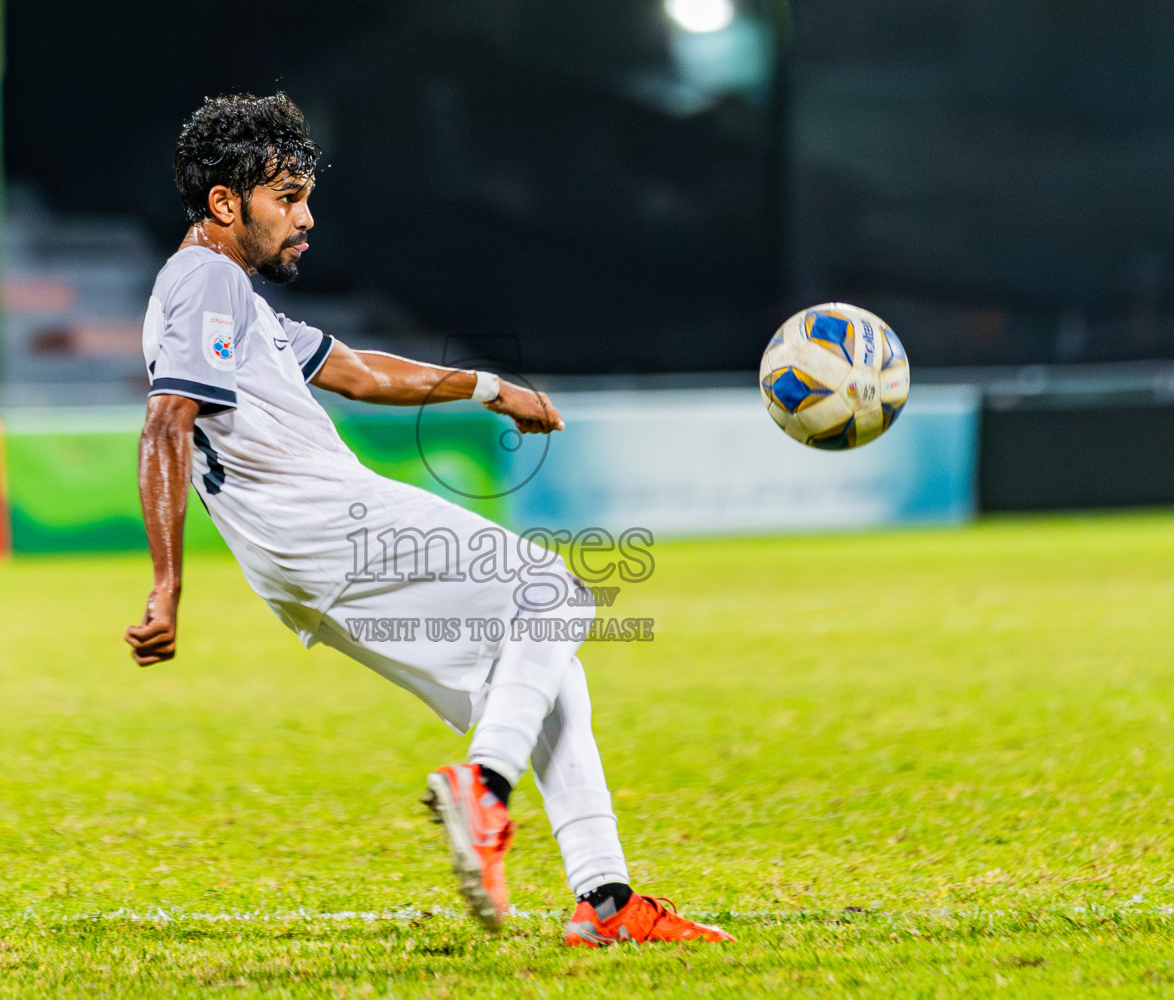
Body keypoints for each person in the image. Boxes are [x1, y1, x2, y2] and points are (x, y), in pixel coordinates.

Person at [123, 92, 732, 947]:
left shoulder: (230, 299)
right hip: (320, 514)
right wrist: (166, 584)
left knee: (546, 678)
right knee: (553, 590)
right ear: (225, 204)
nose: (306, 217)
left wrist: (489, 388)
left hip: (291, 564)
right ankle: (484, 790)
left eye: (304, 195)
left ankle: (605, 900)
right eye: (286, 197)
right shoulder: (207, 279)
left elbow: (362, 373)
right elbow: (166, 420)